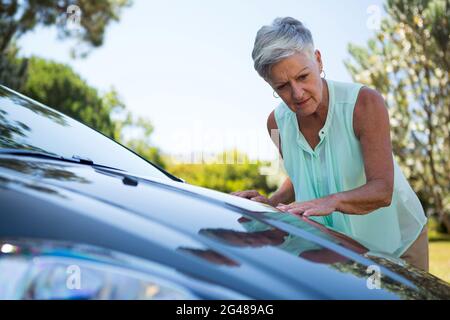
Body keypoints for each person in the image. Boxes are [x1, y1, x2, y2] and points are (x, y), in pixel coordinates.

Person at [231, 17, 428, 271]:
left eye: (303, 76)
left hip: (398, 243)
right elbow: (300, 174)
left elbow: (382, 190)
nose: (297, 93)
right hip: (337, 251)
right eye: (282, 86)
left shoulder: (364, 103)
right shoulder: (275, 123)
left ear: (319, 60)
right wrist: (272, 202)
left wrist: (330, 201)